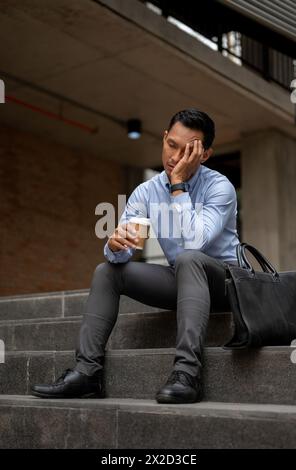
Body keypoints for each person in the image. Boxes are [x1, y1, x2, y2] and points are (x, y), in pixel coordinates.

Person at [31, 108, 239, 404]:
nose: (174, 157)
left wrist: (178, 184)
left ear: (204, 155)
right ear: (164, 137)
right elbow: (123, 249)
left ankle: (187, 373)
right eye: (171, 145)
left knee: (188, 258)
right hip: (182, 281)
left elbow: (195, 241)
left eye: (186, 150)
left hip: (225, 283)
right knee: (106, 271)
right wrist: (116, 245)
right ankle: (87, 372)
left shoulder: (220, 187)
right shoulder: (146, 192)